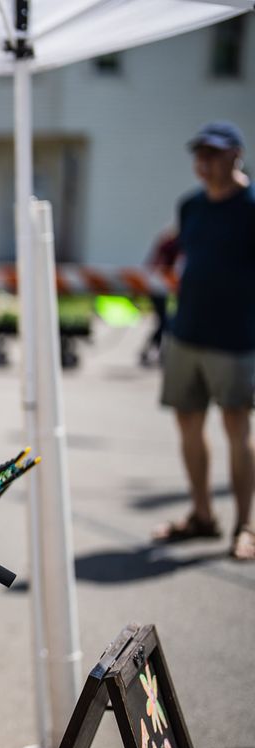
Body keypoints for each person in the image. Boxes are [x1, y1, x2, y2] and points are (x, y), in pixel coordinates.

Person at [153, 121, 255, 562]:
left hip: (235, 340)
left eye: (213, 154)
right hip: (185, 334)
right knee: (188, 425)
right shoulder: (191, 206)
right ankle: (202, 515)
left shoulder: (251, 206)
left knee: (237, 428)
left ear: (236, 156)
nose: (204, 162)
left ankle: (246, 526)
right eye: (199, 154)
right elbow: (179, 259)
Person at [138, 227, 179, 368]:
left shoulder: (167, 243)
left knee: (163, 322)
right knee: (164, 322)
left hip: (158, 285)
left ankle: (154, 351)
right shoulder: (171, 244)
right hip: (157, 285)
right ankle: (153, 351)